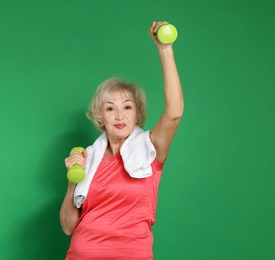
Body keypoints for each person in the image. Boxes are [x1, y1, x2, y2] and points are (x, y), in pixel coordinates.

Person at [59, 21, 184, 259]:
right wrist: (73, 181)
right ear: (100, 116)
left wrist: (165, 50)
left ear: (137, 114)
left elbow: (174, 113)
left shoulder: (151, 149)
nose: (119, 115)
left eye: (127, 107)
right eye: (110, 108)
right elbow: (67, 227)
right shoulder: (90, 157)